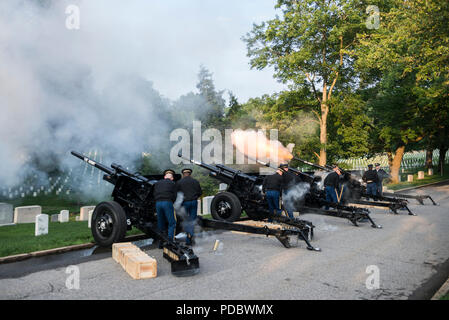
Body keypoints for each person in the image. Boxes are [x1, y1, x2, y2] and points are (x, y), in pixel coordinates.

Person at [176, 168, 202, 246]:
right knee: (192, 220)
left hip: (185, 203)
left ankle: (188, 240)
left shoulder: (179, 182)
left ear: (183, 174)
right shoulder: (195, 181)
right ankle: (191, 238)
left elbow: (177, 194)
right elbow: (200, 192)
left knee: (186, 221)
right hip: (194, 202)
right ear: (190, 174)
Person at [154, 169, 178, 244]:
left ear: (164, 177)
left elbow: (154, 194)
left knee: (160, 223)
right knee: (172, 223)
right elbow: (175, 195)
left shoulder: (157, 183)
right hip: (167, 202)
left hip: (158, 203)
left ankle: (160, 242)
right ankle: (170, 241)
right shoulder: (173, 183)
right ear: (172, 178)